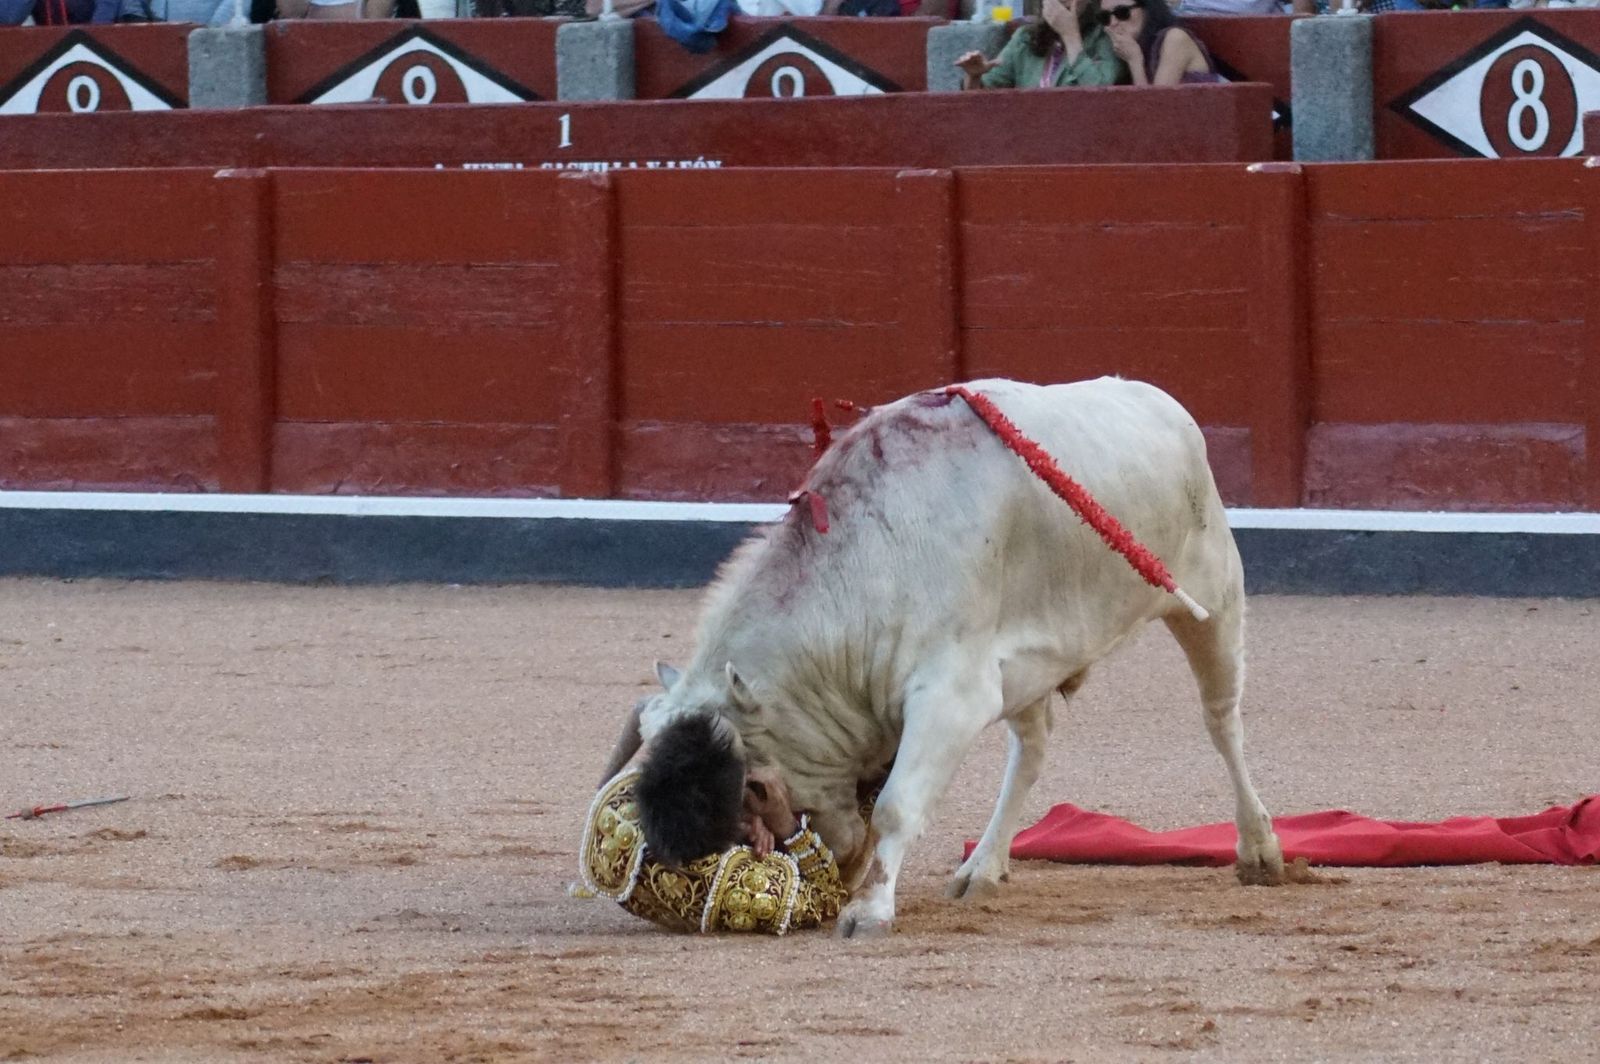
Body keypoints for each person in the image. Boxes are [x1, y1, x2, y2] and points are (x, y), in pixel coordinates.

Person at [954, 0, 1124, 91]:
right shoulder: (1025, 38)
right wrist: (974, 77)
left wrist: (1070, 35)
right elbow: (983, 100)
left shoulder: (1105, 37)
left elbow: (1101, 95)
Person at [1101, 0, 1223, 86]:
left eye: (1122, 13)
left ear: (1147, 9)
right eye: (1104, 17)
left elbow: (1157, 109)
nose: (1113, 23)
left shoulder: (1175, 38)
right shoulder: (1132, 48)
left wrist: (1135, 62)